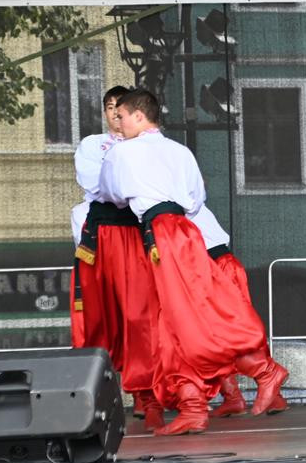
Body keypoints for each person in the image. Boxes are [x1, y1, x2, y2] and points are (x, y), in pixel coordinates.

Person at [98, 89, 287, 435]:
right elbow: (196, 200)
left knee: (189, 319)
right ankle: (195, 405)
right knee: (176, 321)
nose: (117, 123)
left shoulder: (121, 153)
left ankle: (261, 371)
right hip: (184, 229)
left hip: (161, 234)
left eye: (121, 116)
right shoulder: (180, 151)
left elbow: (110, 194)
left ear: (139, 116)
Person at [70, 85, 164, 431]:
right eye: (109, 107)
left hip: (134, 233)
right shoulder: (94, 145)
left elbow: (153, 187)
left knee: (138, 315)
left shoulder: (147, 145)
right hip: (100, 236)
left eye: (120, 108)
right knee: (98, 319)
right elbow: (99, 186)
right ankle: (90, 397)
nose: (114, 113)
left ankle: (146, 395)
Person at [191, 204, 288, 417]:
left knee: (231, 334)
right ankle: (236, 396)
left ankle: (267, 386)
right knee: (219, 336)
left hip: (215, 267)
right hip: (213, 266)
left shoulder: (175, 198)